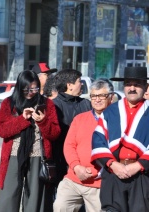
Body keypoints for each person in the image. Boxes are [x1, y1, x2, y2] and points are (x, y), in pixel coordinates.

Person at [0, 70, 60, 212]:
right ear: (20, 87)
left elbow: (55, 133)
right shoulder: (9, 103)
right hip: (13, 154)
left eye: (34, 89)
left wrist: (43, 121)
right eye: (27, 89)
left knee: (35, 197)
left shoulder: (47, 104)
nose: (31, 92)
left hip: (38, 155)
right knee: (9, 194)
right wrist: (22, 119)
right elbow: (2, 131)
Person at [91, 67, 149, 211]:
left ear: (146, 87)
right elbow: (98, 139)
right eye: (128, 84)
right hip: (113, 173)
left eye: (137, 84)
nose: (132, 88)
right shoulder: (111, 111)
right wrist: (112, 164)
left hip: (142, 175)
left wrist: (138, 166)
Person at [54, 79, 114, 212]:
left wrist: (96, 172)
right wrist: (76, 167)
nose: (97, 100)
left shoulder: (116, 121)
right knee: (60, 206)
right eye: (93, 96)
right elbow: (69, 145)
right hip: (74, 178)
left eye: (101, 96)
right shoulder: (80, 119)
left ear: (111, 97)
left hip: (100, 182)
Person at [49, 69, 92, 210]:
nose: (82, 85)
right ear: (70, 85)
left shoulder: (86, 104)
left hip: (86, 162)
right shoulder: (54, 105)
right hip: (61, 161)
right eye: (79, 81)